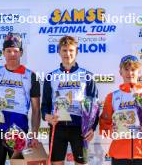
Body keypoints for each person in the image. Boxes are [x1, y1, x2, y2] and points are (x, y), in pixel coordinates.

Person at [0, 32, 41, 165]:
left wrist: (34, 134)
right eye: (8, 51)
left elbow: (36, 109)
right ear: (3, 53)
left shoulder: (31, 76)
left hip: (19, 130)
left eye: (15, 51)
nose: (12, 54)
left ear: (21, 53)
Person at [41, 35, 99, 165]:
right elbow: (45, 105)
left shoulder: (87, 76)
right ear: (59, 52)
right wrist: (47, 117)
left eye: (71, 50)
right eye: (64, 50)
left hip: (80, 128)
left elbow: (94, 105)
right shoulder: (51, 76)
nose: (68, 54)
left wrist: (92, 128)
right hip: (58, 127)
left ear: (76, 51)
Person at [99, 55, 142, 165]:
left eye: (133, 70)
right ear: (120, 72)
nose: (130, 73)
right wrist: (112, 131)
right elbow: (104, 124)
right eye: (126, 69)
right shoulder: (112, 97)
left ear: (139, 71)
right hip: (119, 155)